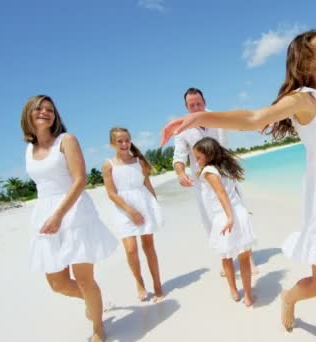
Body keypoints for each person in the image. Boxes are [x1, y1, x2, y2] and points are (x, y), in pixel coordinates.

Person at [161, 30, 316, 342]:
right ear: (307, 61)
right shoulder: (302, 100)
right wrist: (203, 115)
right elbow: (256, 117)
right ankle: (289, 298)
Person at [22, 95, 117, 342]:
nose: (45, 112)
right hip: (44, 213)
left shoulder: (66, 140)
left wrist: (59, 215)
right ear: (28, 114)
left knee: (85, 280)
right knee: (58, 284)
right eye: (39, 108)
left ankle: (98, 328)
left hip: (74, 212)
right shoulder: (29, 150)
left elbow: (80, 180)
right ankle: (93, 299)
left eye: (50, 109)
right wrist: (50, 217)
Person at [172, 87, 258, 275]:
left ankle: (248, 258)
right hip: (204, 184)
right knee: (213, 222)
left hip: (226, 176)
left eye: (199, 103)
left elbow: (236, 127)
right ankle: (226, 260)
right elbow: (178, 157)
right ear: (186, 107)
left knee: (239, 214)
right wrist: (180, 173)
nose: (196, 108)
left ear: (205, 101)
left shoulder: (217, 117)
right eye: (192, 105)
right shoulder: (182, 129)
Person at [102, 127, 164, 303]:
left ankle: (157, 284)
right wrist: (130, 211)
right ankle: (139, 282)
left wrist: (155, 205)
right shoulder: (109, 165)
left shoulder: (139, 162)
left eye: (127, 140)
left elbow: (147, 184)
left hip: (144, 204)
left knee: (149, 246)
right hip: (123, 209)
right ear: (112, 143)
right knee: (131, 249)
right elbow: (111, 193)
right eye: (119, 141)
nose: (124, 143)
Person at [193, 137, 256, 307]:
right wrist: (241, 210)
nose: (196, 161)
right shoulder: (225, 168)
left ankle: (234, 291)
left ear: (208, 155)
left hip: (224, 216)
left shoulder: (208, 171)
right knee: (243, 257)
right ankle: (248, 296)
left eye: (198, 157)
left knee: (226, 257)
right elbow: (234, 191)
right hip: (238, 212)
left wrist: (229, 217)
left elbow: (222, 194)